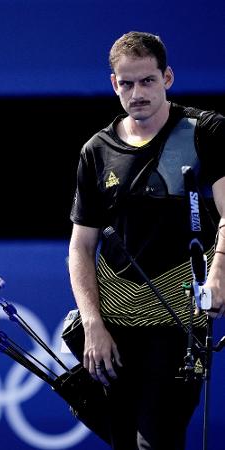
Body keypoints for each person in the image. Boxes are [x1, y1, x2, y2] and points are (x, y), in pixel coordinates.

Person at [68, 31, 225, 449]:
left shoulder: (204, 131)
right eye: (127, 83)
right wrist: (92, 324)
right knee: (123, 441)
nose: (137, 93)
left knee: (154, 441)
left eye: (147, 80)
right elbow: (80, 247)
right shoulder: (96, 151)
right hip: (114, 321)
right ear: (113, 84)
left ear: (168, 77)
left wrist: (219, 275)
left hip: (179, 316)